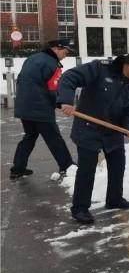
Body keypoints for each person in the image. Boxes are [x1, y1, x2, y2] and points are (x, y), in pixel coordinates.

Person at [56, 52, 129, 224]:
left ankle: (114, 199)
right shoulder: (100, 69)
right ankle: (80, 208)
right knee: (87, 170)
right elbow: (70, 77)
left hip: (112, 130)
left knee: (118, 164)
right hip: (88, 127)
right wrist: (66, 100)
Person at [10, 39, 76, 180]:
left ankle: (17, 168)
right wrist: (60, 103)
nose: (66, 56)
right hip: (40, 108)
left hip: (24, 106)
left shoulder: (33, 58)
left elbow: (21, 80)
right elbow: (53, 89)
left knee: (29, 136)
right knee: (54, 138)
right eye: (65, 52)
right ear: (57, 48)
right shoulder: (52, 64)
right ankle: (67, 166)